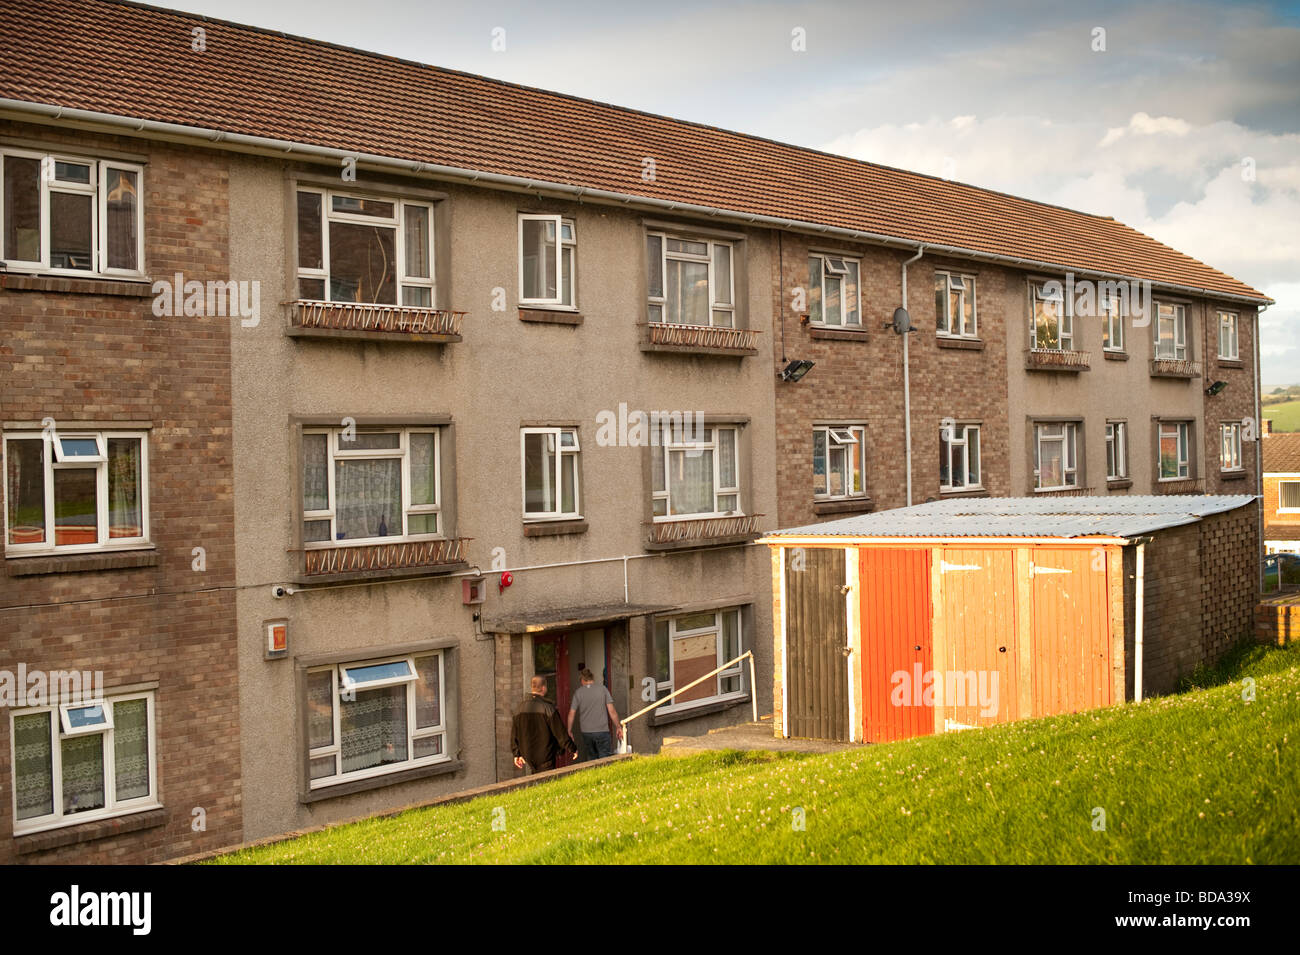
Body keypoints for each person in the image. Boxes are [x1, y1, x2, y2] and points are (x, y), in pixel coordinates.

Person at [511, 675, 576, 773]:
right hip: (546, 758)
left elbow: (514, 734)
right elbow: (560, 733)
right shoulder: (548, 708)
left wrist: (516, 754)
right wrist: (573, 748)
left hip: (529, 757)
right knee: (547, 783)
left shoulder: (519, 708)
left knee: (537, 783)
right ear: (543, 688)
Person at [567, 668, 623, 760]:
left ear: (582, 680)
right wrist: (618, 727)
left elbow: (571, 714)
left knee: (592, 759)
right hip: (602, 731)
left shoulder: (578, 692)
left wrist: (569, 731)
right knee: (605, 759)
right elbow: (612, 711)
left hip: (586, 733)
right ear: (592, 678)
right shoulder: (603, 689)